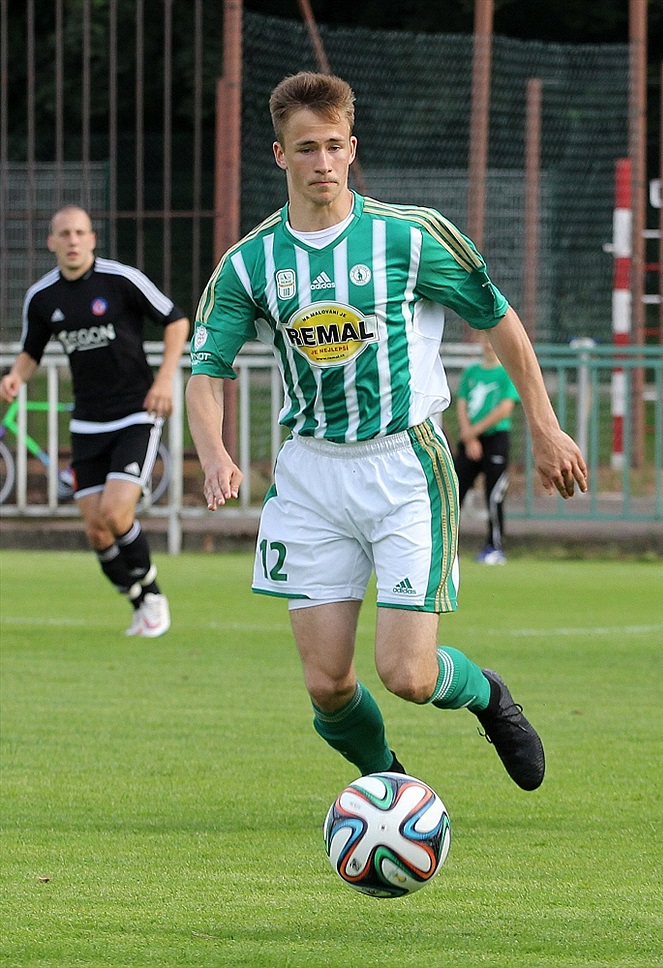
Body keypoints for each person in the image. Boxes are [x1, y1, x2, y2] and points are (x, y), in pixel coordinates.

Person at [186, 72, 587, 791]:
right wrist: (214, 453)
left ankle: (488, 695)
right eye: (306, 148)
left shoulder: (409, 235)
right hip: (310, 475)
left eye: (333, 146)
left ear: (352, 147)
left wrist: (546, 426)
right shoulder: (250, 263)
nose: (322, 162)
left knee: (407, 674)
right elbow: (206, 371)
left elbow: (498, 319)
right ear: (280, 155)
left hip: (405, 466)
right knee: (327, 684)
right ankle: (389, 789)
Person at [0, 206, 190, 637]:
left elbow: (176, 320)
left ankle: (153, 593)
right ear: (51, 242)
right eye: (64, 233)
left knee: (115, 512)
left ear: (92, 239)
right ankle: (138, 601)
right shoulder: (43, 297)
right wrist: (15, 377)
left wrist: (165, 380)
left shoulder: (120, 280)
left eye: (79, 232)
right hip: (87, 422)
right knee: (96, 531)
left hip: (136, 413)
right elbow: (32, 352)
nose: (72, 240)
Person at [453, 332, 519, 565]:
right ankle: (447, 547)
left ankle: (495, 546)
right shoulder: (471, 372)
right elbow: (462, 403)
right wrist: (469, 436)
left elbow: (504, 409)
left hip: (495, 439)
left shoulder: (506, 373)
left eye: (494, 341)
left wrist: (474, 431)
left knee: (494, 495)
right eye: (486, 340)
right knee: (452, 492)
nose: (490, 346)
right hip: (470, 441)